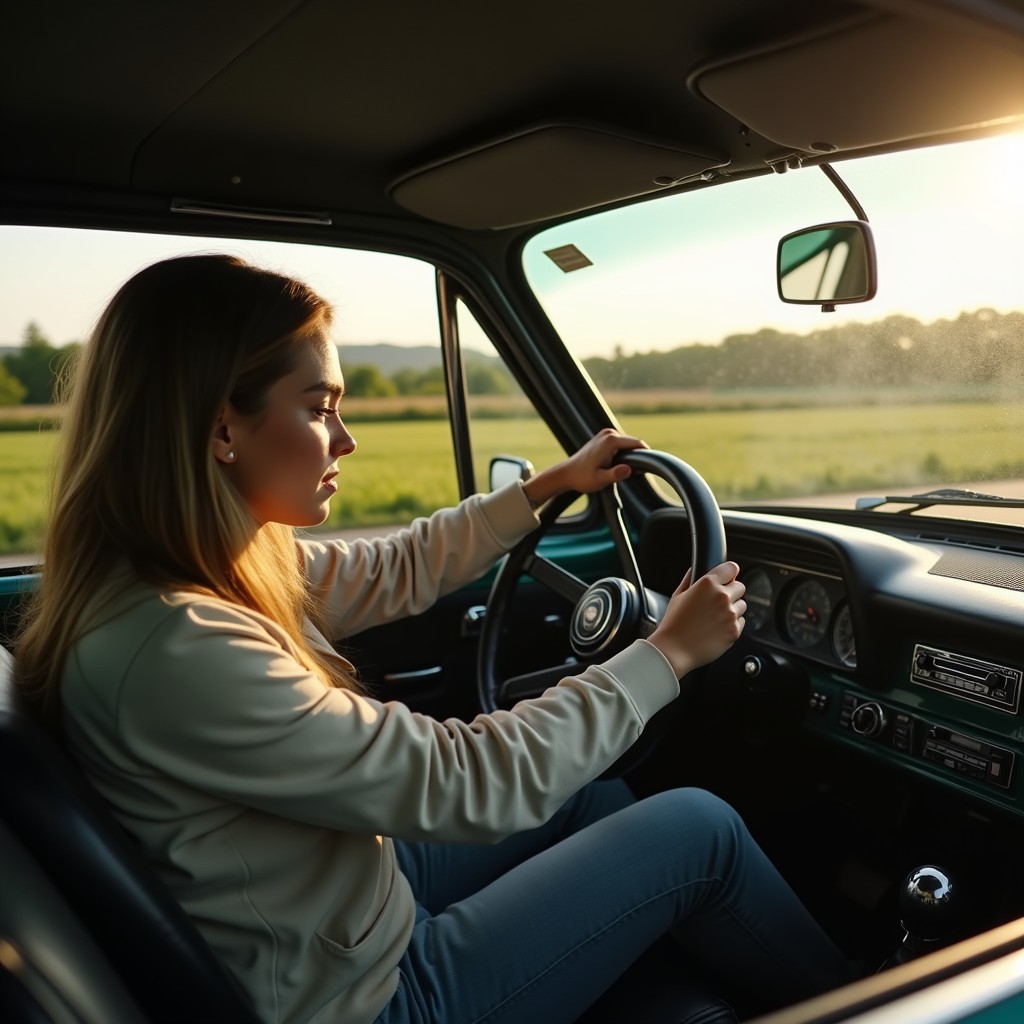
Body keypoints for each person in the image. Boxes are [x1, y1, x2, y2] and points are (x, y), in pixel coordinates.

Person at [15, 254, 853, 1024]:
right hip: (368, 998)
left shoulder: (190, 570)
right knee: (699, 830)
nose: (345, 441)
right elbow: (468, 780)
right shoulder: (176, 645)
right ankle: (895, 1005)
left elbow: (391, 568)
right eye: (319, 409)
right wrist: (666, 654)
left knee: (590, 798)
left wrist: (546, 487)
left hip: (332, 911)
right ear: (220, 429)